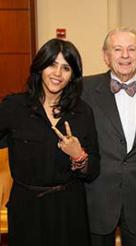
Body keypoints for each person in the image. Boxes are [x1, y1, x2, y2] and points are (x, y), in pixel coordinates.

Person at [0, 38, 100, 246]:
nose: (57, 73)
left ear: (73, 76)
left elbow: (94, 170)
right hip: (27, 208)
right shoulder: (14, 107)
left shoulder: (82, 112)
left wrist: (78, 155)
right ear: (39, 67)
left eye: (66, 68)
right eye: (51, 64)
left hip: (68, 209)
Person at [82, 27, 136, 246]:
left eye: (132, 49)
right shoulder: (83, 89)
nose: (125, 55)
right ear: (105, 56)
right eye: (117, 49)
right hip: (97, 197)